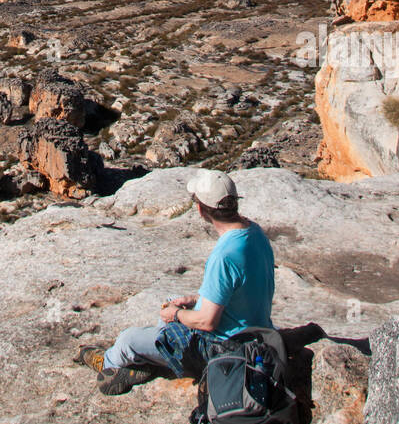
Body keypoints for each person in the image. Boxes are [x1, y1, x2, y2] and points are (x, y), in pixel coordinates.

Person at [77, 168, 275, 396]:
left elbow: (207, 322)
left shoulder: (225, 255)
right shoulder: (254, 233)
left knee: (128, 340)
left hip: (223, 347)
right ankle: (153, 355)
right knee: (172, 302)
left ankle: (111, 363)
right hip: (257, 331)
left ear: (201, 210)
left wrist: (177, 315)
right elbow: (239, 287)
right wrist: (193, 300)